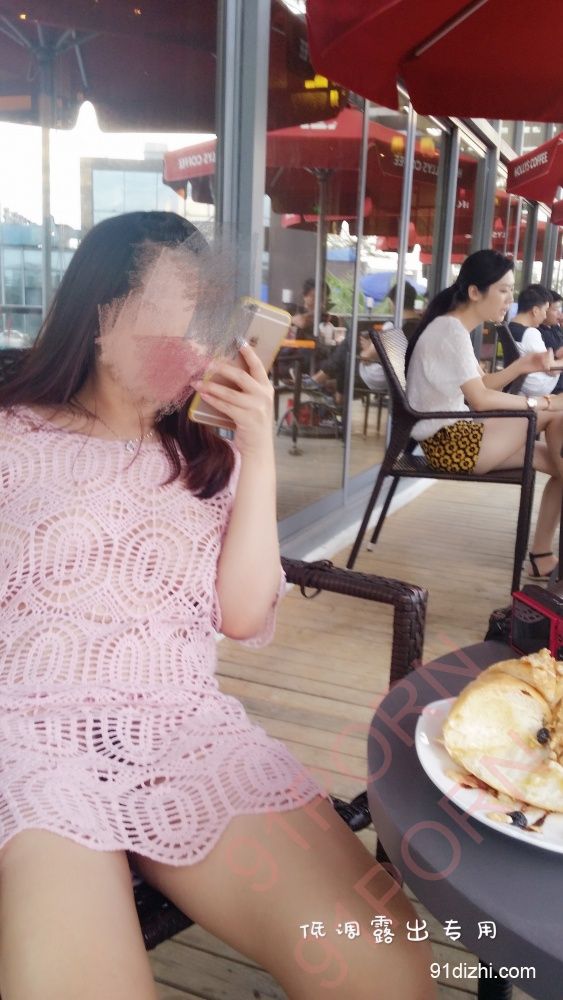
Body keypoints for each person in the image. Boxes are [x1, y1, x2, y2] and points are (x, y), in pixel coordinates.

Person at [0, 211, 434, 1000]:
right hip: (27, 737)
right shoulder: (12, 436)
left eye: (209, 312)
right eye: (178, 306)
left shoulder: (209, 460)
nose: (199, 337)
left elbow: (242, 614)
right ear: (102, 310)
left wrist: (257, 448)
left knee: (383, 966)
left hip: (182, 730)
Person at [405, 249, 563, 581]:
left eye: (510, 290)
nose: (510, 300)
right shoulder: (450, 331)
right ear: (475, 292)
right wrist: (542, 403)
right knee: (555, 411)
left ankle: (542, 556)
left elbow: (483, 386)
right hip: (451, 444)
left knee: (559, 460)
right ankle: (541, 554)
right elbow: (480, 399)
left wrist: (522, 366)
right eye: (503, 290)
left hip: (455, 437)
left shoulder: (452, 328)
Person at [359, 282, 420, 392]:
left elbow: (365, 357)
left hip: (390, 379)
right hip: (414, 379)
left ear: (393, 302)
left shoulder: (394, 327)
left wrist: (368, 348)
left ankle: (336, 391)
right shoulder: (424, 325)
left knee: (349, 356)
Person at [508, 283, 562, 397]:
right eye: (545, 310)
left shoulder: (510, 327)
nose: (545, 316)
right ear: (535, 311)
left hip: (521, 385)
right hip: (536, 388)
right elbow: (551, 369)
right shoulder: (530, 333)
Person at [538, 289, 563, 394]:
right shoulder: (541, 332)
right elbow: (559, 353)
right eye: (556, 310)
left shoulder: (555, 327)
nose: (560, 314)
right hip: (556, 387)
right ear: (544, 309)